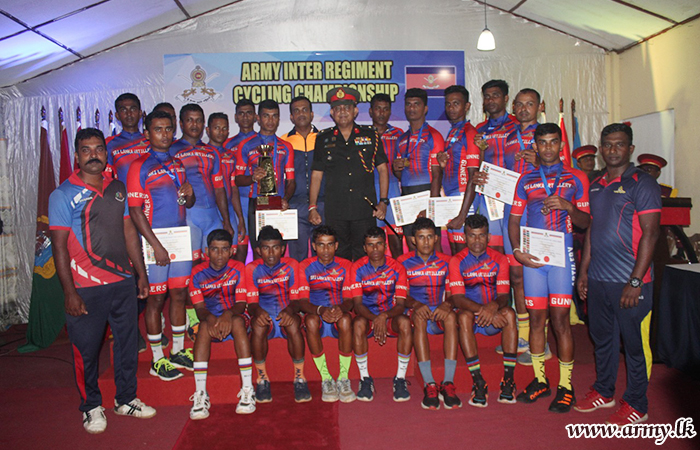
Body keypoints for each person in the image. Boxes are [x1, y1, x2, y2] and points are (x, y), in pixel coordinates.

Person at [50, 128, 156, 433]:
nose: (93, 155)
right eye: (86, 150)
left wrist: (141, 274)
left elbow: (129, 232)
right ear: (76, 156)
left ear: (106, 154)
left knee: (126, 345)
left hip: (122, 282)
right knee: (86, 350)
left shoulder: (117, 187)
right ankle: (91, 406)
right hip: (85, 287)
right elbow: (58, 246)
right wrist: (69, 292)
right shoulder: (63, 194)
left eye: (99, 149)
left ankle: (126, 399)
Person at [576, 123, 660, 425]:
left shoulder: (642, 183)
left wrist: (635, 281)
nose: (613, 150)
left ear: (630, 149)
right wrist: (584, 272)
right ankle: (604, 391)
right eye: (608, 144)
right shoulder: (596, 184)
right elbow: (592, 231)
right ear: (601, 149)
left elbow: (651, 234)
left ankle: (637, 403)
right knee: (602, 340)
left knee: (634, 346)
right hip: (599, 279)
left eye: (619, 144)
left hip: (630, 282)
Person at [509, 123, 590, 413]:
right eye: (542, 142)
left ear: (561, 145)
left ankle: (566, 386)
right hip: (533, 260)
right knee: (535, 321)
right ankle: (540, 380)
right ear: (535, 145)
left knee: (560, 322)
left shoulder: (576, 177)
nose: (547, 148)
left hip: (561, 259)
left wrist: (569, 207)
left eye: (553, 142)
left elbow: (585, 222)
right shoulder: (525, 179)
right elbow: (514, 220)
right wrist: (517, 251)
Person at [127, 110, 196, 381]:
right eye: (158, 129)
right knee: (156, 298)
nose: (165, 134)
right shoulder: (139, 165)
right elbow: (135, 212)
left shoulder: (177, 163)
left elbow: (186, 204)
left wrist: (189, 195)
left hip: (179, 237)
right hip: (154, 240)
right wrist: (155, 246)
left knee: (179, 294)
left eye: (168, 129)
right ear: (147, 133)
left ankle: (177, 351)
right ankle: (157, 359)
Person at [309, 87, 389, 261]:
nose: (342, 112)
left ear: (355, 111)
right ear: (332, 113)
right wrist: (312, 207)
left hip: (364, 209)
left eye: (347, 107)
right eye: (337, 108)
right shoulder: (323, 138)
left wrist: (383, 202)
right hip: (336, 210)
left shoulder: (371, 135)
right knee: (339, 258)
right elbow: (316, 175)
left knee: (364, 258)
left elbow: (383, 169)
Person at [449, 214, 518, 407]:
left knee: (510, 314)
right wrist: (484, 310)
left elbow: (504, 296)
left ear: (488, 237)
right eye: (472, 235)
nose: (477, 240)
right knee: (463, 316)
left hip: (492, 318)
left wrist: (493, 307)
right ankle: (478, 381)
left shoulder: (500, 259)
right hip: (472, 318)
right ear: (465, 237)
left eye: (481, 235)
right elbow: (458, 299)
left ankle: (509, 380)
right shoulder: (457, 261)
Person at [497, 88, 543, 360]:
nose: (524, 108)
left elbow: (562, 171)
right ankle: (522, 334)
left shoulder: (545, 135)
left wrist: (539, 161)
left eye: (530, 104)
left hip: (535, 211)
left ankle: (540, 338)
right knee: (515, 275)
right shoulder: (509, 135)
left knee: (535, 275)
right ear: (513, 106)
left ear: (539, 106)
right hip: (510, 210)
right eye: (520, 104)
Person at [189, 229, 255, 419]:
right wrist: (211, 319)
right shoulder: (197, 272)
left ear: (232, 251)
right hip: (209, 318)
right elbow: (199, 309)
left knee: (237, 322)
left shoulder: (238, 268)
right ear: (206, 252)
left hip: (234, 316)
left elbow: (241, 304)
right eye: (215, 249)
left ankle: (248, 389)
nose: (220, 254)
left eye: (225, 249)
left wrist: (227, 314)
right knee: (203, 326)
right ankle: (201, 394)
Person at [397, 218, 460, 410]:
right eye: (421, 237)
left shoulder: (448, 261)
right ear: (413, 240)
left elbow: (455, 294)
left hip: (438, 310)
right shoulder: (403, 262)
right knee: (419, 317)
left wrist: (446, 304)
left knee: (451, 316)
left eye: (430, 237)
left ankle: (448, 383)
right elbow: (401, 296)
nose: (426, 242)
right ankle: (429, 384)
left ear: (436, 238)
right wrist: (416, 305)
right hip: (415, 311)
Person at [246, 226, 311, 403]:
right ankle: (262, 379)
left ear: (282, 249)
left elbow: (297, 300)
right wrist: (258, 312)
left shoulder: (291, 265)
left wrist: (289, 310)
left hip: (286, 312)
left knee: (293, 323)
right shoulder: (252, 268)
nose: (271, 253)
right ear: (258, 250)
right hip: (265, 316)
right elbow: (251, 304)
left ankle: (299, 377)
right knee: (258, 325)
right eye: (266, 248)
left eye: (275, 247)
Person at [351, 226, 411, 402]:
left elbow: (401, 304)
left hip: (391, 315)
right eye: (370, 245)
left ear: (385, 246)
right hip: (367, 316)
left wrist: (384, 317)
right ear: (364, 248)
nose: (375, 249)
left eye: (378, 244)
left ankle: (400, 379)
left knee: (405, 323)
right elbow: (357, 305)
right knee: (358, 324)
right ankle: (365, 379)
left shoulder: (397, 268)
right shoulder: (357, 268)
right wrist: (376, 319)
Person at [298, 225, 356, 403]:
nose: (326, 250)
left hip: (338, 313)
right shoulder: (305, 266)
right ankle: (326, 378)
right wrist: (320, 310)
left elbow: (350, 300)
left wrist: (340, 309)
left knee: (346, 319)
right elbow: (302, 302)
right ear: (314, 246)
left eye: (330, 244)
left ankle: (343, 378)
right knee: (311, 321)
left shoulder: (346, 265)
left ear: (336, 246)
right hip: (317, 313)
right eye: (321, 245)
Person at [171, 104, 233, 263]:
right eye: (190, 120)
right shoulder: (171, 150)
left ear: (203, 124)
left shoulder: (212, 152)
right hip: (188, 215)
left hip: (212, 216)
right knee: (191, 264)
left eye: (198, 120)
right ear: (181, 123)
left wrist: (226, 220)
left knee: (216, 262)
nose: (194, 124)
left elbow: (219, 188)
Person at [235, 100, 296, 251]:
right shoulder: (246, 145)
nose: (270, 120)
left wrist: (285, 199)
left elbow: (291, 181)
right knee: (259, 250)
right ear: (258, 118)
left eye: (274, 116)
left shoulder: (286, 146)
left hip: (278, 202)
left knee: (278, 250)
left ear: (279, 119)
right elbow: (238, 179)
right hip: (256, 202)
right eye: (266, 116)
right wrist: (252, 178)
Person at [393, 88, 444, 249]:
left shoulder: (434, 135)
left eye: (416, 104)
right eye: (408, 104)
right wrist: (396, 168)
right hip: (407, 195)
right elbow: (400, 175)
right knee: (411, 245)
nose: (412, 108)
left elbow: (437, 175)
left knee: (433, 246)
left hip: (428, 192)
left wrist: (431, 206)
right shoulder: (401, 139)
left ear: (425, 108)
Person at [473, 80, 519, 252]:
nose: (490, 100)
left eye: (495, 95)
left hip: (514, 193)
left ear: (506, 98)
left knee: (513, 246)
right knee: (493, 246)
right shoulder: (479, 129)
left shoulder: (517, 125)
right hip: (488, 195)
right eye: (487, 96)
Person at [439, 85, 480, 255]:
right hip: (452, 197)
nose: (451, 108)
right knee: (455, 253)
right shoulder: (452, 131)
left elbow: (473, 177)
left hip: (464, 197)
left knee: (465, 254)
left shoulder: (469, 133)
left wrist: (463, 215)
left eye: (456, 103)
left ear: (467, 106)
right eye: (448, 104)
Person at [281, 96, 322, 261]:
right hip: (294, 206)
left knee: (322, 256)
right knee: (297, 258)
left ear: (312, 114)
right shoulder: (283, 141)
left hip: (322, 205)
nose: (301, 114)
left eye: (305, 110)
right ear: (291, 117)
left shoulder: (324, 138)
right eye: (296, 111)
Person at [368, 93, 404, 258]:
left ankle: (399, 272)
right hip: (369, 190)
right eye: (378, 109)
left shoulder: (399, 134)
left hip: (393, 191)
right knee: (372, 240)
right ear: (371, 111)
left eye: (385, 109)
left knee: (396, 238)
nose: (381, 113)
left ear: (390, 112)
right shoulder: (363, 134)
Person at [224, 98, 258, 262]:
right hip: (236, 201)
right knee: (239, 251)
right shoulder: (227, 144)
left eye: (249, 113)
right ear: (236, 117)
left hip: (257, 200)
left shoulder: (263, 141)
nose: (245, 117)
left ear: (255, 117)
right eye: (241, 113)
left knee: (260, 249)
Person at [206, 112, 246, 249]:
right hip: (210, 211)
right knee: (211, 254)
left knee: (232, 250)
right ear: (208, 130)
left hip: (229, 210)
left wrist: (240, 218)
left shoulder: (230, 156)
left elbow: (233, 188)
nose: (221, 132)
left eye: (224, 128)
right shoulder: (203, 154)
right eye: (216, 128)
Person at [106, 93, 149, 182]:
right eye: (123, 110)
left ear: (140, 113)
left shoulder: (151, 141)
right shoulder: (109, 144)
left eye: (133, 109)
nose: (129, 114)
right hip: (122, 191)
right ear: (117, 116)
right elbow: (106, 178)